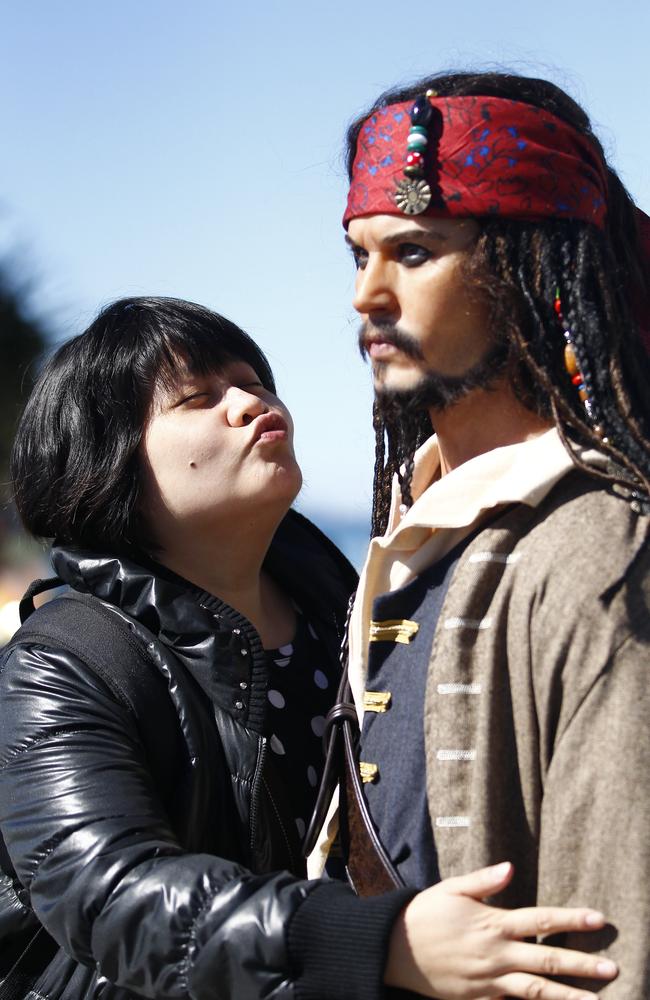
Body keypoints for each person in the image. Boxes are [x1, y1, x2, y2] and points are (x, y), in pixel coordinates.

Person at [0, 296, 617, 1000]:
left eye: (256, 383)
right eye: (198, 398)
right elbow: (109, 895)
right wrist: (380, 941)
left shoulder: (351, 614)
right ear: (106, 458)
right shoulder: (65, 662)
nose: (250, 403)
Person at [336, 71, 650, 996]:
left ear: (527, 269)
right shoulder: (414, 528)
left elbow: (614, 939)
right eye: (358, 257)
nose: (368, 294)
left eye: (416, 251)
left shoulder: (600, 547)